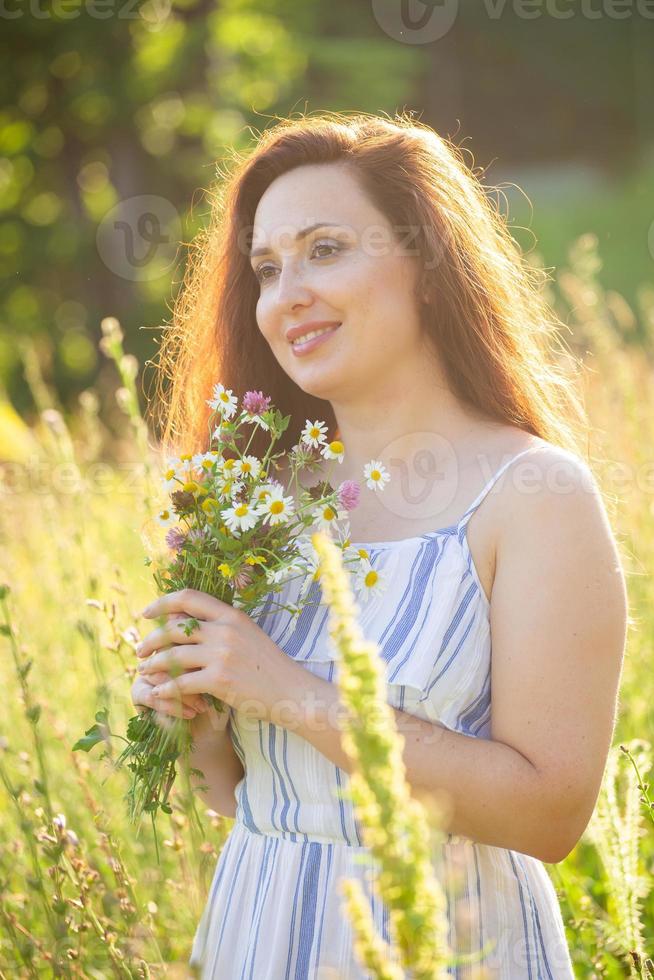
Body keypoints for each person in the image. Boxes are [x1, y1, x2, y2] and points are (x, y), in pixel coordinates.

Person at [131, 112, 628, 978]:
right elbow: (245, 798)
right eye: (267, 268)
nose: (288, 295)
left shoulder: (533, 497)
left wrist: (286, 689)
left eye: (326, 250)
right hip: (259, 932)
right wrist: (195, 716)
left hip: (449, 945)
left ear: (428, 265)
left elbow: (552, 815)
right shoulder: (255, 503)